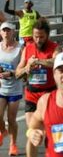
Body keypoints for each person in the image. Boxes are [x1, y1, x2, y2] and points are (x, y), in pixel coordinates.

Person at [16, 18, 60, 156]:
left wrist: (39, 61)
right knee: (32, 132)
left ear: (47, 35)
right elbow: (17, 73)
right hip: (32, 95)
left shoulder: (54, 47)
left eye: (41, 37)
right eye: (36, 36)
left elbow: (57, 61)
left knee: (49, 133)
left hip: (49, 95)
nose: (38, 39)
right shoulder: (28, 48)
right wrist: (26, 68)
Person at [0, 22, 21, 155]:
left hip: (14, 88)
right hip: (1, 87)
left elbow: (23, 69)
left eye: (9, 31)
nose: (6, 33)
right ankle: (3, 131)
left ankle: (13, 144)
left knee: (11, 119)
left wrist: (11, 73)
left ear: (13, 32)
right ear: (0, 33)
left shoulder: (20, 48)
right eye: (4, 31)